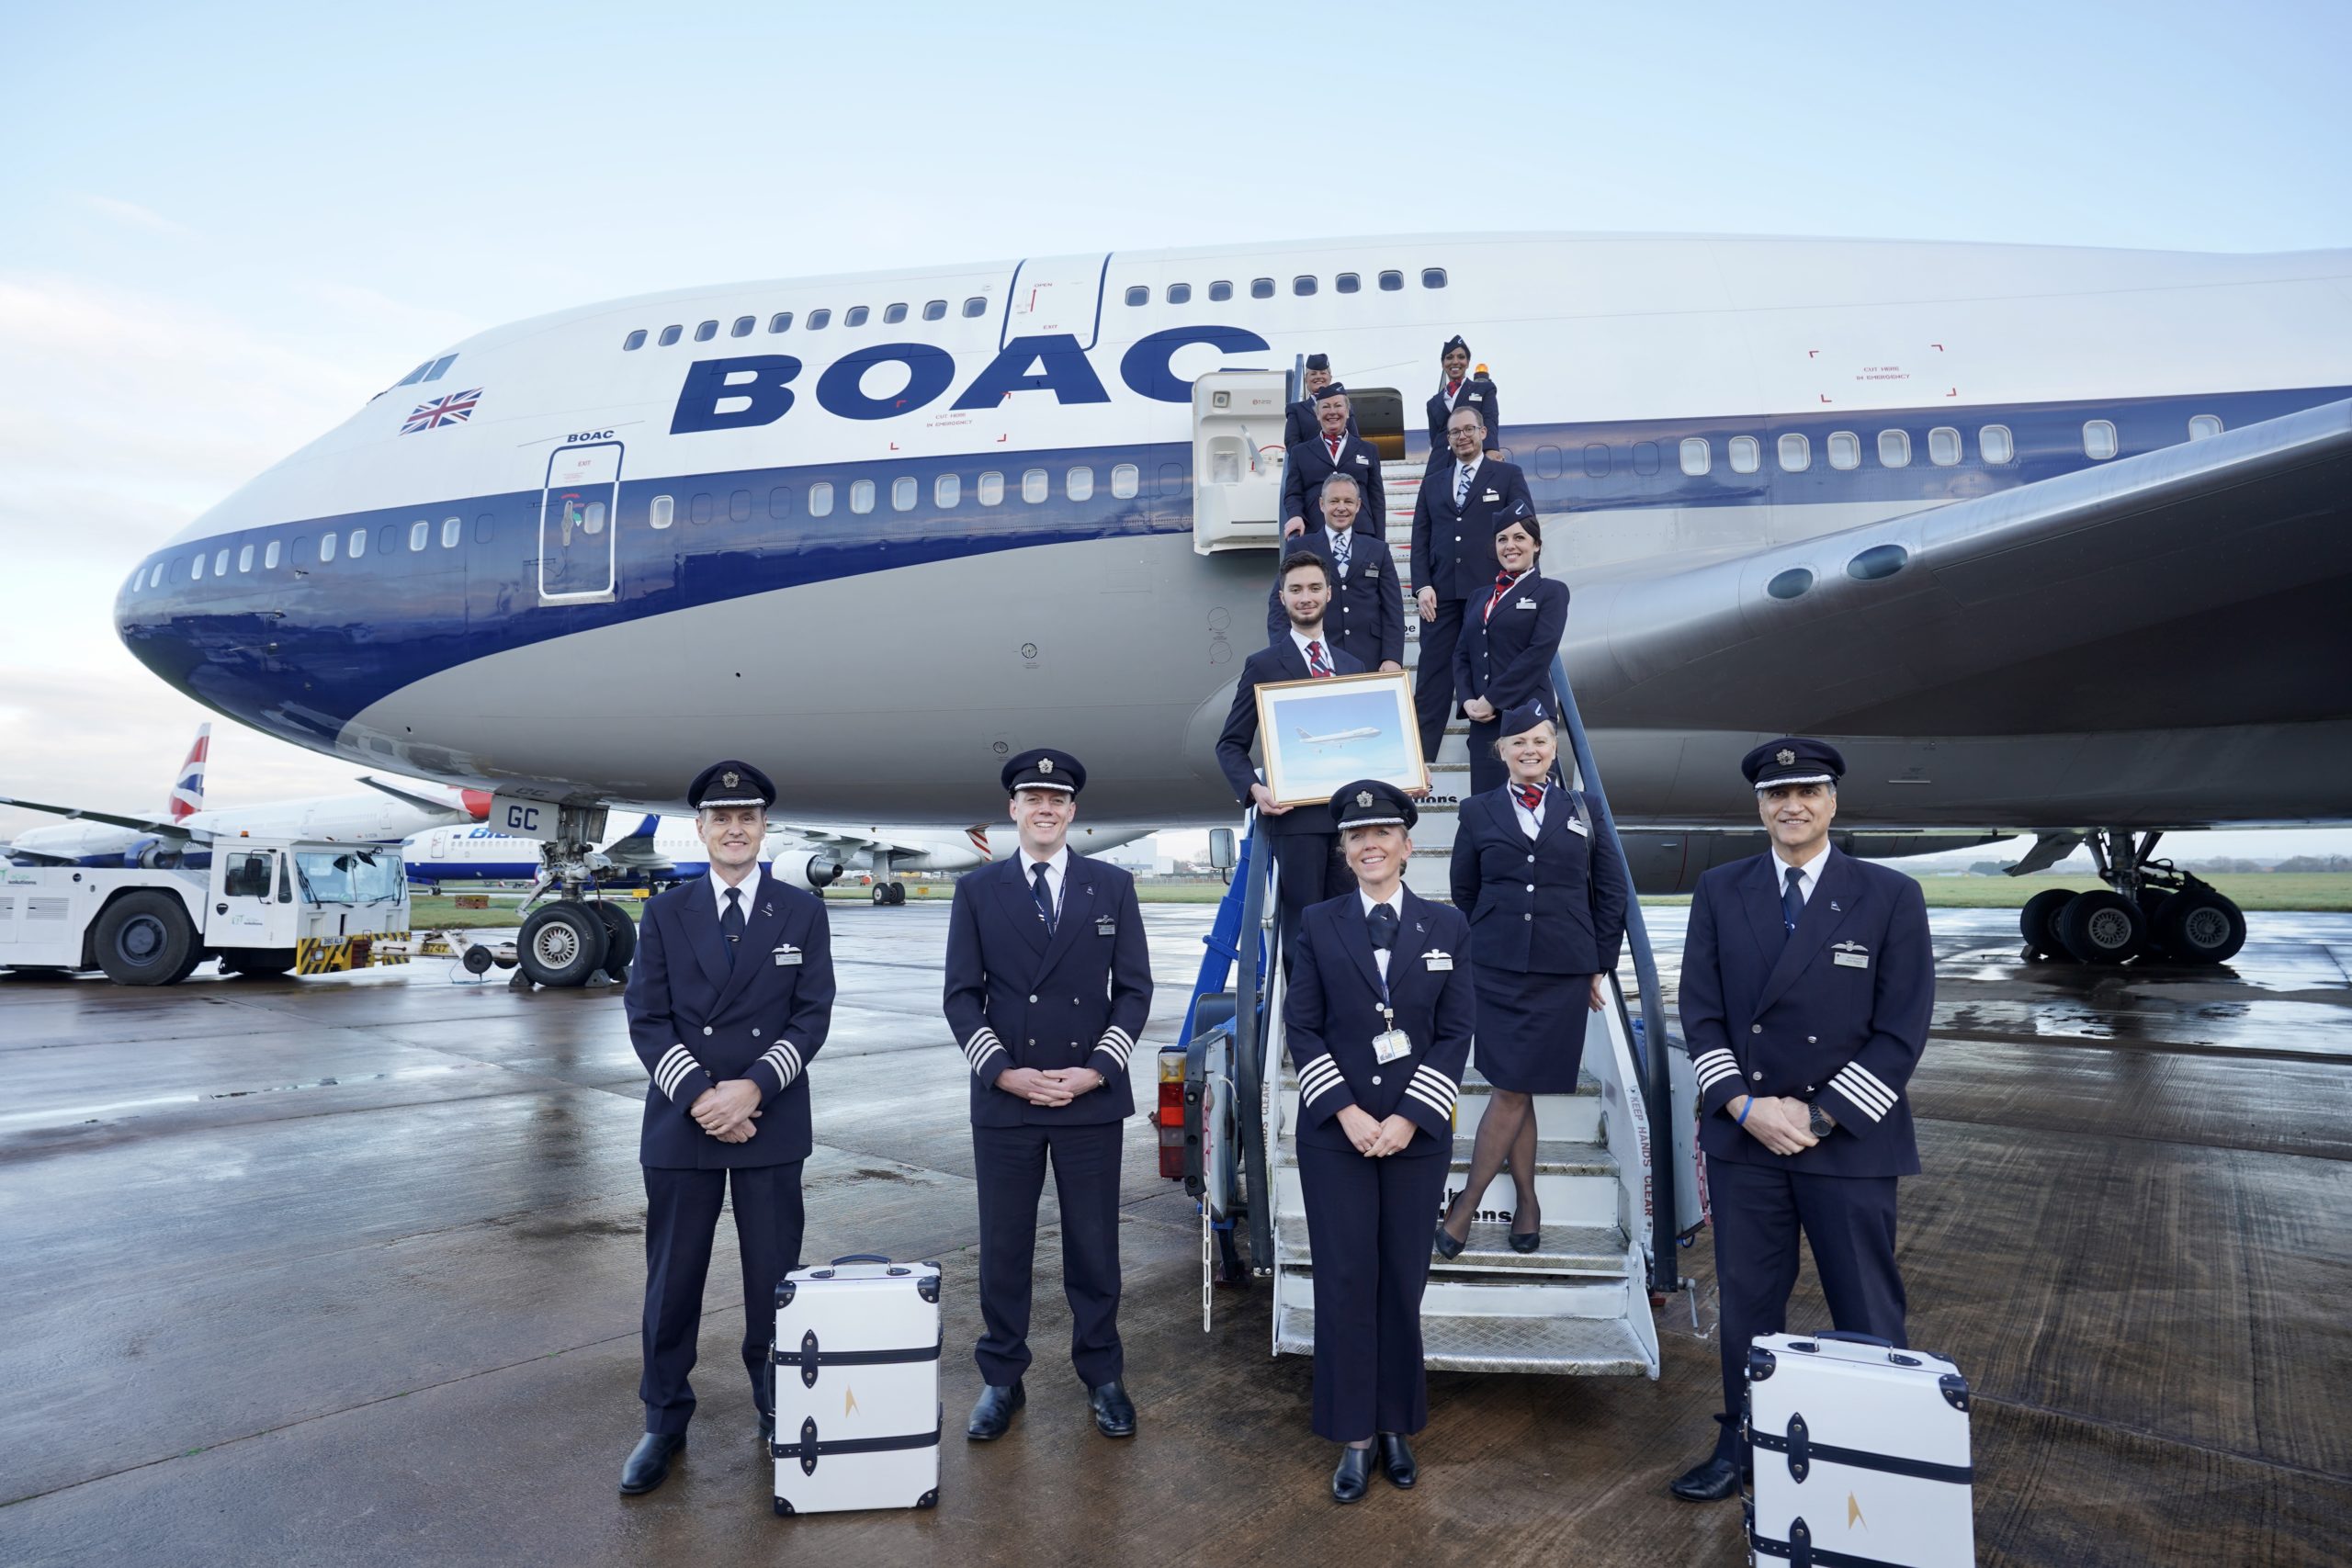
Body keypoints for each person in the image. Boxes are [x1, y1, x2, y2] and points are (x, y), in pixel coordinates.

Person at [1668, 739, 1934, 1504]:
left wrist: (1818, 1115)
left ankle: (1879, 1450)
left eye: (1808, 791)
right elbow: (1701, 1010)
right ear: (1760, 806)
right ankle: (1741, 1441)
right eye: (1777, 793)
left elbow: (1902, 1028)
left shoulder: (1888, 894)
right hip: (1747, 1140)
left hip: (1847, 1138)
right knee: (1748, 1305)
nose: (1792, 805)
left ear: (1832, 802)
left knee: (1865, 1306)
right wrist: (1746, 1107)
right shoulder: (1723, 888)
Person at [618, 760, 835, 1496]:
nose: (735, 829)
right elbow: (647, 1017)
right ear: (703, 829)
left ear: (764, 827)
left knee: (773, 1280)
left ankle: (776, 1403)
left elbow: (811, 1016)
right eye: (721, 818)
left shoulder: (801, 911)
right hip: (684, 1125)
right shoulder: (666, 912)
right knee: (672, 1282)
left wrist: (752, 1089)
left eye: (748, 817)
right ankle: (663, 1418)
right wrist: (706, 1099)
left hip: (768, 1120)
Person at [943, 748, 1153, 1443]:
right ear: (1013, 808)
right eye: (1032, 796)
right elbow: (961, 997)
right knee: (1004, 1248)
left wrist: (1097, 1069)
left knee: (1094, 1249)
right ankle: (1003, 1378)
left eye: (1057, 799)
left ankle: (1103, 1375)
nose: (1045, 808)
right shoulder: (978, 891)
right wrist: (1001, 1070)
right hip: (1007, 1099)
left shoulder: (1111, 885)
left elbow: (1134, 993)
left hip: (1087, 1096)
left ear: (1072, 811)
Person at [1284, 779, 1476, 1503]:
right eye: (1356, 837)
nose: (1370, 845)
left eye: (1383, 833)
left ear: (1407, 843)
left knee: (1402, 1278)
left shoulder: (1446, 926)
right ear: (1343, 850)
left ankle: (1396, 1423)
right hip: (1338, 1136)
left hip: (1415, 1134)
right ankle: (1353, 1434)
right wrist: (1347, 1112)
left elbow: (1457, 1031)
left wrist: (1405, 1118)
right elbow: (1303, 1025)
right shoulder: (1319, 921)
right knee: (1345, 1280)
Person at [1438, 701, 1627, 1258]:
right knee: (1510, 1086)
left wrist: (1598, 962)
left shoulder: (1585, 808)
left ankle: (1466, 1205)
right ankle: (1525, 1200)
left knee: (1512, 1087)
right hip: (1495, 969)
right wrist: (1489, 937)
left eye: (1540, 742)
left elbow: (1610, 891)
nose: (1530, 751)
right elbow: (1465, 890)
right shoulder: (1477, 810)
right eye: (1517, 743)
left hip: (1561, 970)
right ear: (1501, 753)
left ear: (1553, 749)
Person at [1216, 552, 1366, 955]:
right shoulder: (1263, 666)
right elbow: (1230, 744)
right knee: (1304, 932)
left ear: (1329, 594)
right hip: (1297, 822)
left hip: (1352, 820)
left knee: (1354, 927)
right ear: (1281, 598)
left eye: (1314, 588)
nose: (1306, 597)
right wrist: (1254, 790)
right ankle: (1302, 1019)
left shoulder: (1354, 667)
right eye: (1295, 589)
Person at [1409, 405, 1534, 763]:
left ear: (1482, 433)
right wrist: (1422, 586)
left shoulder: (1507, 475)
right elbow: (1421, 538)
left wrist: (1515, 585)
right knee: (1433, 675)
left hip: (1490, 592)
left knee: (1488, 670)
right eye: (1454, 432)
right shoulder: (1433, 482)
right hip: (1441, 594)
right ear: (1447, 440)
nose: (1461, 437)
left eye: (1468, 430)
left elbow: (1526, 532)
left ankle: (1488, 754)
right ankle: (1422, 757)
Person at [1453, 502, 1570, 795]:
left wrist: (1492, 698)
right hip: (1484, 719)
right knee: (1486, 805)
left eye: (1519, 538)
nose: (1510, 546)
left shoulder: (1551, 592)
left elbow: (1538, 653)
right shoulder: (1479, 597)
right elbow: (1462, 654)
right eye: (1502, 539)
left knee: (1532, 806)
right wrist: (1468, 701)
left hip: (1528, 716)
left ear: (1536, 545)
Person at [1261, 471, 1404, 673]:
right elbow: (1279, 605)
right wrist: (1284, 653)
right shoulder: (1299, 548)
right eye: (1334, 501)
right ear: (1322, 504)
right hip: (1315, 657)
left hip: (1369, 657)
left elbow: (1393, 608)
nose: (1341, 508)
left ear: (1358, 505)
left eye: (1348, 501)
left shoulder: (1378, 549)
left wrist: (1392, 657)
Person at [1283, 385, 1389, 542]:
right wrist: (1295, 515)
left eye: (1338, 406)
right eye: (1325, 407)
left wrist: (1380, 542)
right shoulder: (1300, 452)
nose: (1332, 412)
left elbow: (1377, 499)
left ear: (1347, 412)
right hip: (1315, 532)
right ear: (1317, 414)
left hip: (1361, 533)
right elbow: (1293, 493)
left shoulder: (1369, 450)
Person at [1423, 336, 1500, 468]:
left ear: (1468, 362)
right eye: (1449, 358)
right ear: (1443, 364)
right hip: (1439, 466)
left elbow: (1490, 421)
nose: (1455, 362)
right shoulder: (1433, 403)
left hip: (1472, 460)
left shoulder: (1484, 390)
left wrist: (1491, 449)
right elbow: (1435, 440)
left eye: (1461, 357)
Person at [1284, 352, 1358, 447]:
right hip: (1309, 462)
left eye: (1323, 373)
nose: (1318, 376)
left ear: (1330, 378)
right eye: (1313, 374)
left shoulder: (1344, 406)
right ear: (1306, 379)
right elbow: (1292, 443)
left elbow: (1355, 440)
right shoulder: (1296, 409)